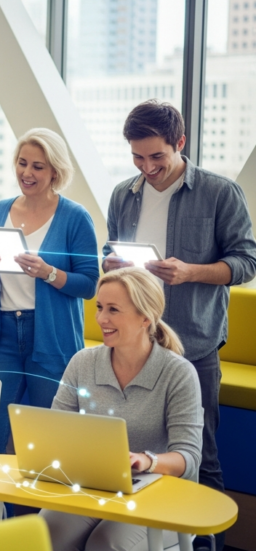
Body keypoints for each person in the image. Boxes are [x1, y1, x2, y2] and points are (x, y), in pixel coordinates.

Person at [103, 100, 256, 551]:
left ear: (180, 143)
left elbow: (247, 262)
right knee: (133, 453)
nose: (147, 168)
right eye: (137, 157)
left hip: (194, 343)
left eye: (157, 157)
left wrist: (191, 272)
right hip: (135, 343)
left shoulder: (219, 192)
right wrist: (111, 266)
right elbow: (112, 259)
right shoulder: (122, 194)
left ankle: (208, 546)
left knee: (201, 457)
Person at [41, 267, 203, 550]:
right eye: (100, 307)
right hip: (94, 487)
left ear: (145, 318)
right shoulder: (83, 362)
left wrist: (146, 461)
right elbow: (56, 430)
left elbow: (188, 456)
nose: (102, 319)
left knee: (106, 543)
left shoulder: (178, 373)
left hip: (160, 494)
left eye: (114, 310)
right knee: (45, 533)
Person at [0, 128, 99, 453]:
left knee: (51, 438)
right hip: (1, 333)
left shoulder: (75, 217)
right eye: (22, 163)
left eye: (38, 167)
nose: (26, 173)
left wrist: (48, 273)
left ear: (55, 171)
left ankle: (42, 505)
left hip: (52, 338)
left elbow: (89, 284)